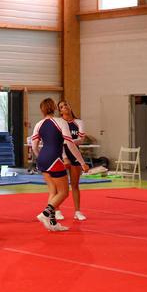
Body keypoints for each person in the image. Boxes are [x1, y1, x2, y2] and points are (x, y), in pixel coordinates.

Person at [31, 98, 88, 232]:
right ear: (55, 108)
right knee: (63, 192)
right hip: (54, 159)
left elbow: (34, 146)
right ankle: (45, 214)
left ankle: (53, 222)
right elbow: (70, 144)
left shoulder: (38, 124)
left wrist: (41, 157)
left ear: (42, 110)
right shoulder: (61, 122)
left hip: (43, 158)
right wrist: (82, 162)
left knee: (53, 191)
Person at [58, 100, 88, 221]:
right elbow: (58, 142)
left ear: (70, 106)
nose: (64, 107)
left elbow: (81, 140)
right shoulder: (59, 123)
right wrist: (64, 156)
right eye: (61, 107)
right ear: (60, 111)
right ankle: (57, 210)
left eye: (66, 105)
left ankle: (77, 211)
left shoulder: (79, 122)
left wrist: (68, 141)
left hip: (75, 153)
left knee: (75, 184)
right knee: (60, 186)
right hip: (61, 153)